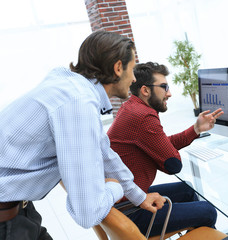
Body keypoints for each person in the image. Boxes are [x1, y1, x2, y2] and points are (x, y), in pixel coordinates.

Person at [0, 31, 165, 240]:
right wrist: (113, 187)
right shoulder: (78, 102)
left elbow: (105, 152)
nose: (133, 78)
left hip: (18, 209)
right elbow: (88, 212)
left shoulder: (72, 87)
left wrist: (138, 196)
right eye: (132, 70)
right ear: (117, 68)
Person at [107, 61, 224, 236]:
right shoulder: (143, 116)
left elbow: (160, 145)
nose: (169, 93)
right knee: (208, 210)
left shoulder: (131, 107)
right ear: (145, 90)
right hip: (131, 212)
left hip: (125, 201)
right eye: (164, 87)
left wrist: (196, 129)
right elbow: (173, 165)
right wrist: (163, 155)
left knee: (187, 190)